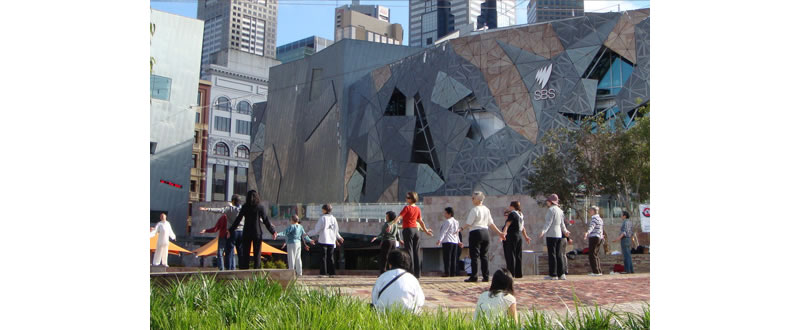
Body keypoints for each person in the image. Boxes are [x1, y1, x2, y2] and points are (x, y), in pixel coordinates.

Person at [460, 191, 505, 282]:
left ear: (478, 199)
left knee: (474, 256)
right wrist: (499, 233)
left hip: (476, 232)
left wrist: (460, 228)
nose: (472, 200)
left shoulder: (475, 209)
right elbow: (491, 223)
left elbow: (469, 223)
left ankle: (474, 276)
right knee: (484, 256)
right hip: (485, 233)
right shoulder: (486, 209)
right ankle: (486, 276)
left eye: (473, 198)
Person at [389, 191, 434, 278]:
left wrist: (391, 224)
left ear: (412, 199)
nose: (406, 199)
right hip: (416, 231)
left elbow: (399, 217)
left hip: (408, 230)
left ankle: (411, 272)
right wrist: (426, 231)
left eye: (408, 197)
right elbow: (420, 221)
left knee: (409, 251)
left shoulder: (407, 208)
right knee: (416, 252)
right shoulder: (417, 209)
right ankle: (418, 273)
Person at [228, 190, 276, 270]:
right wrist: (273, 231)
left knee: (245, 253)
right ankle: (257, 271)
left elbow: (238, 220)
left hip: (246, 232)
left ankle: (244, 271)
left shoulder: (245, 207)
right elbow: (265, 220)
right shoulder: (260, 207)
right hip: (257, 233)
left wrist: (230, 230)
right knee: (257, 253)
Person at [371, 249, 425, 314]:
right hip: (408, 314)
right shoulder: (412, 279)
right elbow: (420, 301)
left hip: (383, 314)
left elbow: (374, 299)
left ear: (390, 264)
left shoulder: (382, 277)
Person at [199, 195, 242, 270]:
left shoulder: (224, 216)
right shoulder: (242, 209)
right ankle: (234, 268)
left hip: (225, 235)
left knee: (221, 253)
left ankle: (223, 269)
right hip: (239, 232)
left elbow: (215, 228)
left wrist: (207, 209)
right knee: (233, 252)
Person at [539, 194, 569, 280]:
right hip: (559, 234)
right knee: (559, 254)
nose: (547, 203)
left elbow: (548, 222)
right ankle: (561, 273)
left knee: (552, 254)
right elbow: (562, 224)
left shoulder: (551, 210)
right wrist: (565, 231)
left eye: (548, 201)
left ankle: (553, 274)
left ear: (551, 202)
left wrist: (543, 231)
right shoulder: (560, 211)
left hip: (551, 234)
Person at [308, 204, 344, 277]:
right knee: (330, 257)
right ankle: (332, 273)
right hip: (331, 240)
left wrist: (308, 234)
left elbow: (317, 230)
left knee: (323, 257)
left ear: (324, 210)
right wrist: (339, 237)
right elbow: (336, 230)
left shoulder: (322, 218)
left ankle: (323, 273)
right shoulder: (334, 218)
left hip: (323, 240)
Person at [501, 201, 531, 279]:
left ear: (512, 206)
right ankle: (518, 273)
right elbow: (522, 227)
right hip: (519, 236)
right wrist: (526, 236)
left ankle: (511, 273)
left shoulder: (512, 214)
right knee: (518, 255)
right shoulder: (520, 214)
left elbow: (507, 224)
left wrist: (503, 233)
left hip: (511, 236)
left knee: (510, 254)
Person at [436, 207, 461, 277]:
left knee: (447, 258)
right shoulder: (456, 222)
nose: (444, 214)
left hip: (447, 241)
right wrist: (458, 241)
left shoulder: (448, 221)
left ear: (449, 214)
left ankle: (447, 272)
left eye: (445, 213)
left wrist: (440, 240)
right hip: (455, 241)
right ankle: (453, 273)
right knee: (453, 258)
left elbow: (444, 231)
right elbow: (457, 233)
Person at [584, 206, 605, 276]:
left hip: (594, 237)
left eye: (590, 210)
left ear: (593, 211)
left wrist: (587, 233)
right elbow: (601, 229)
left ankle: (595, 271)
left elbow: (591, 227)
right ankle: (598, 270)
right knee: (595, 254)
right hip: (599, 237)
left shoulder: (594, 219)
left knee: (592, 255)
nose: (589, 212)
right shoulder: (600, 219)